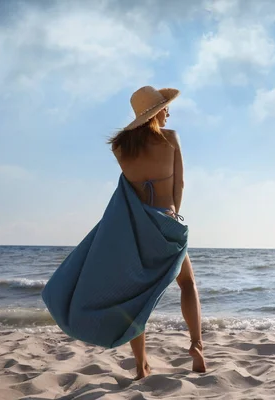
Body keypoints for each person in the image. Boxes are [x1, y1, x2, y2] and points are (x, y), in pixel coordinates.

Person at [107, 86, 206, 378]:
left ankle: (141, 364)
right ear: (155, 112)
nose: (168, 112)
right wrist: (171, 216)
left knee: (136, 297)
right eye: (164, 108)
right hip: (165, 220)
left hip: (135, 228)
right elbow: (180, 186)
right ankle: (196, 345)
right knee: (187, 283)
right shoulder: (171, 139)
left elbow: (130, 189)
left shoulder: (120, 147)